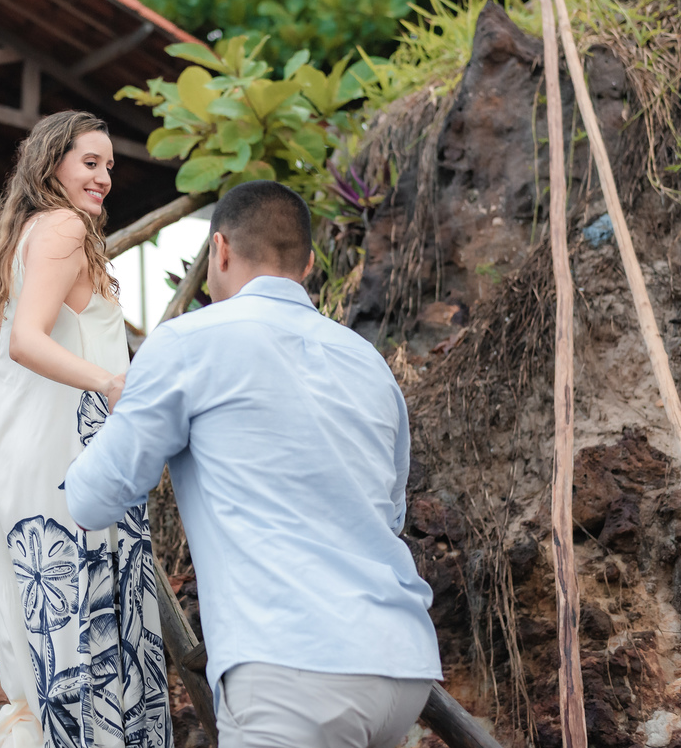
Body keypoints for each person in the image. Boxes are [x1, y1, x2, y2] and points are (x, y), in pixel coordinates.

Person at [64, 180, 442, 748]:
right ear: (310, 264)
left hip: (289, 668)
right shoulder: (367, 362)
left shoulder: (188, 343)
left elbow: (96, 500)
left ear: (218, 250)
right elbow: (388, 516)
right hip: (401, 665)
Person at [0, 111, 172, 748]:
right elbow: (25, 342)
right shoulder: (63, 228)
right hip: (62, 458)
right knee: (86, 625)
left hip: (12, 456)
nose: (104, 177)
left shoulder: (15, 241)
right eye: (90, 162)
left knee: (47, 635)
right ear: (52, 163)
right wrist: (113, 385)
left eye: (109, 165)